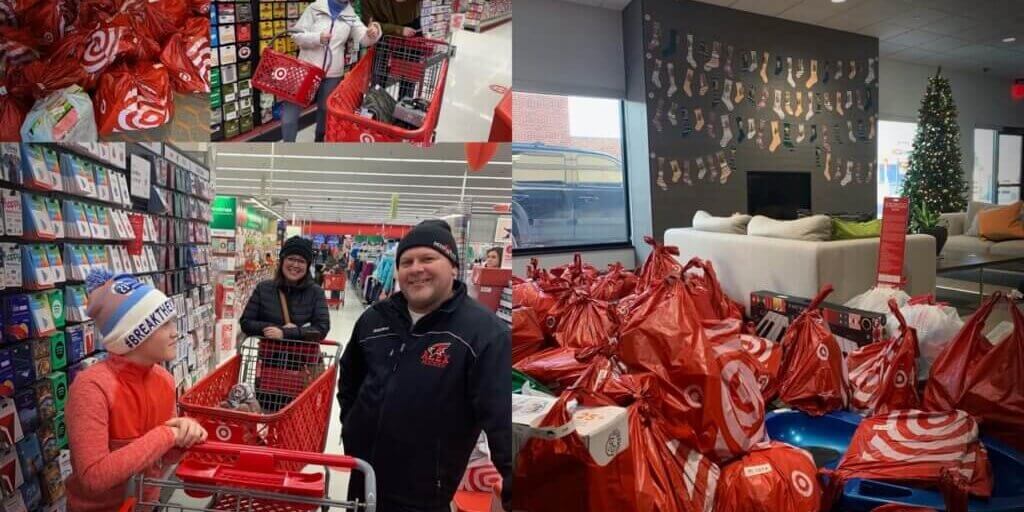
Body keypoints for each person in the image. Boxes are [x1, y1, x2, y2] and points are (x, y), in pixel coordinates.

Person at [338, 220, 512, 512]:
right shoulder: (375, 319)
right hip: (363, 479)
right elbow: (350, 380)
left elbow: (501, 420)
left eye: (428, 258)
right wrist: (353, 428)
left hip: (424, 494)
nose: (416, 268)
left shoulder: (484, 333)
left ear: (454, 267)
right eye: (407, 261)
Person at [66, 270, 208, 511]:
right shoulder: (91, 387)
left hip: (146, 505)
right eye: (164, 324)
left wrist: (184, 439)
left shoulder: (163, 379)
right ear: (134, 335)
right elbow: (93, 477)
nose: (175, 331)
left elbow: (158, 460)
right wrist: (167, 435)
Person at [283, 0, 383, 142]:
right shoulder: (316, 7)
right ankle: (286, 149)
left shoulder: (351, 15)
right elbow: (296, 36)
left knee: (325, 110)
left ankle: (319, 141)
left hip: (332, 73)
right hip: (306, 70)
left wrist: (374, 31)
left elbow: (364, 40)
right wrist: (317, 38)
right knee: (290, 113)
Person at [240, 236, 330, 342]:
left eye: (301, 261)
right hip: (270, 356)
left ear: (307, 265)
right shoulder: (263, 288)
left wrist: (286, 333)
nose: (295, 265)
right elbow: (246, 323)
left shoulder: (316, 292)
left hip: (302, 357)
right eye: (291, 259)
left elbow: (322, 328)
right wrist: (276, 329)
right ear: (282, 261)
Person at [360, 0, 423, 100]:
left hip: (410, 29)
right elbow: (370, 23)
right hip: (383, 33)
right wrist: (399, 30)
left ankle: (403, 109)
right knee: (378, 77)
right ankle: (375, 108)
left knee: (408, 80)